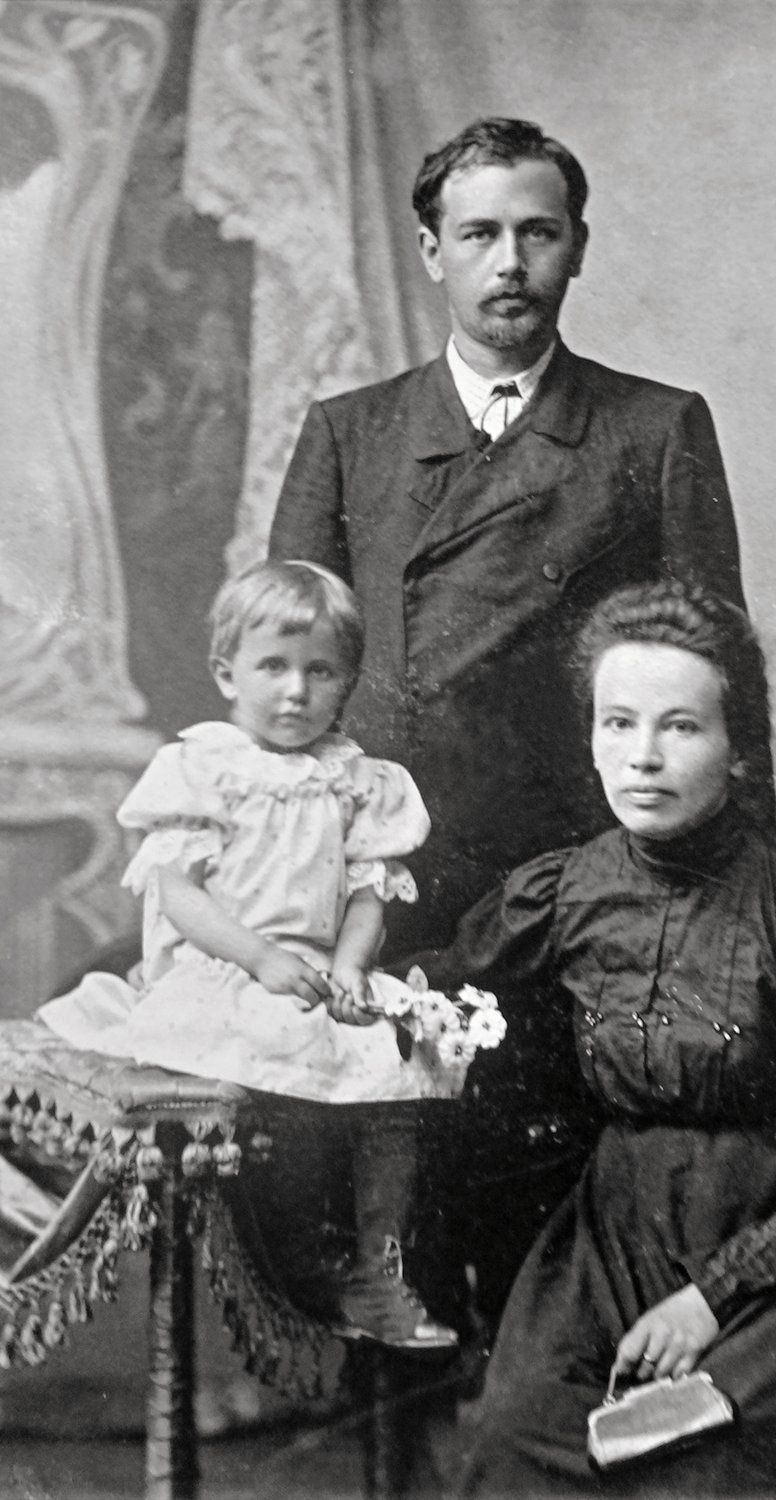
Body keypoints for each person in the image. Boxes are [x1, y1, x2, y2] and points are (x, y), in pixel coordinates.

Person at [270, 116, 768, 1310]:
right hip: (382, 865)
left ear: (577, 250)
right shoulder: (352, 431)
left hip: (571, 868)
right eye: (479, 233)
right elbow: (285, 667)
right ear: (430, 250)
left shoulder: (651, 429)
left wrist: (733, 890)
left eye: (536, 234)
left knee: (538, 1180)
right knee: (375, 1180)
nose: (509, 264)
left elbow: (718, 677)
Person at [410, 577, 776, 1495]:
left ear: (738, 748)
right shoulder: (566, 890)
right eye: (617, 723)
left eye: (679, 727)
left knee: (685, 1461)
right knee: (519, 1438)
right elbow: (432, 984)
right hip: (612, 1232)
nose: (642, 757)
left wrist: (710, 1301)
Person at [36, 559, 462, 1351]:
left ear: (347, 681)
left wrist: (349, 967)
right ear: (227, 672)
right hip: (226, 968)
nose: (296, 691)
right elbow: (181, 896)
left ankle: (378, 1265)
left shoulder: (356, 781)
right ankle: (301, 1261)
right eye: (274, 667)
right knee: (285, 1067)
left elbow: (367, 893)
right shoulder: (206, 768)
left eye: (320, 671)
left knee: (406, 1061)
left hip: (314, 972)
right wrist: (262, 958)